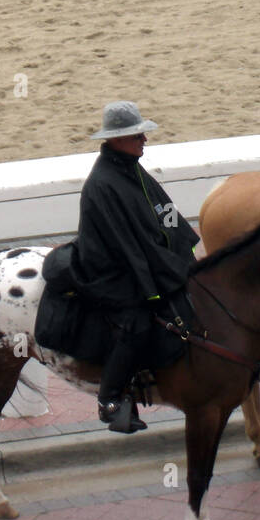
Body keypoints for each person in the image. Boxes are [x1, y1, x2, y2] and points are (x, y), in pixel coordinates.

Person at [74, 101, 199, 432]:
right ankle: (110, 399)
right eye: (136, 135)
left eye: (142, 133)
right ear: (117, 139)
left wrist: (184, 244)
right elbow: (125, 246)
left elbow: (165, 211)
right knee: (139, 322)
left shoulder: (131, 168)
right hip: (111, 271)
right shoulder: (102, 184)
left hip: (141, 260)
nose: (144, 139)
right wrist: (152, 289)